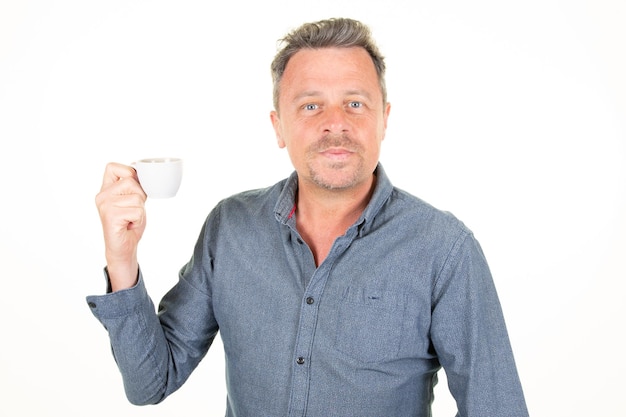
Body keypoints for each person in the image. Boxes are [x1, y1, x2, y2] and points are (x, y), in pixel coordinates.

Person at [87, 17, 529, 417]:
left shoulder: (444, 249)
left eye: (355, 103)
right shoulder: (230, 229)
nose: (334, 123)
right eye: (311, 105)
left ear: (384, 120)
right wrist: (121, 257)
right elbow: (150, 382)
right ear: (279, 126)